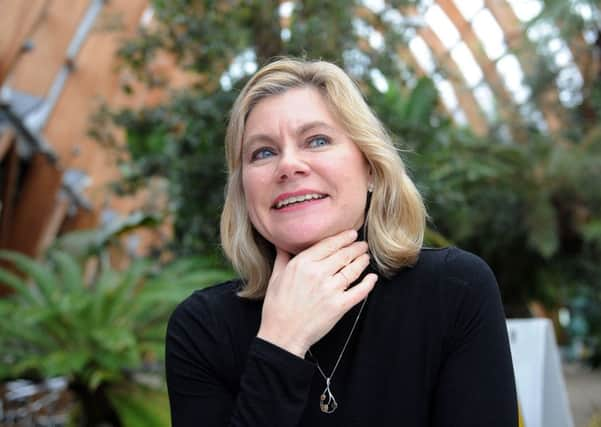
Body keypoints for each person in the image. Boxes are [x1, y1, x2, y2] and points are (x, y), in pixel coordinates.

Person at [165, 58, 518, 426]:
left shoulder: (454, 290)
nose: (289, 165)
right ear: (243, 190)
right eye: (263, 152)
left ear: (370, 167)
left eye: (317, 140)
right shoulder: (202, 329)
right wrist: (281, 344)